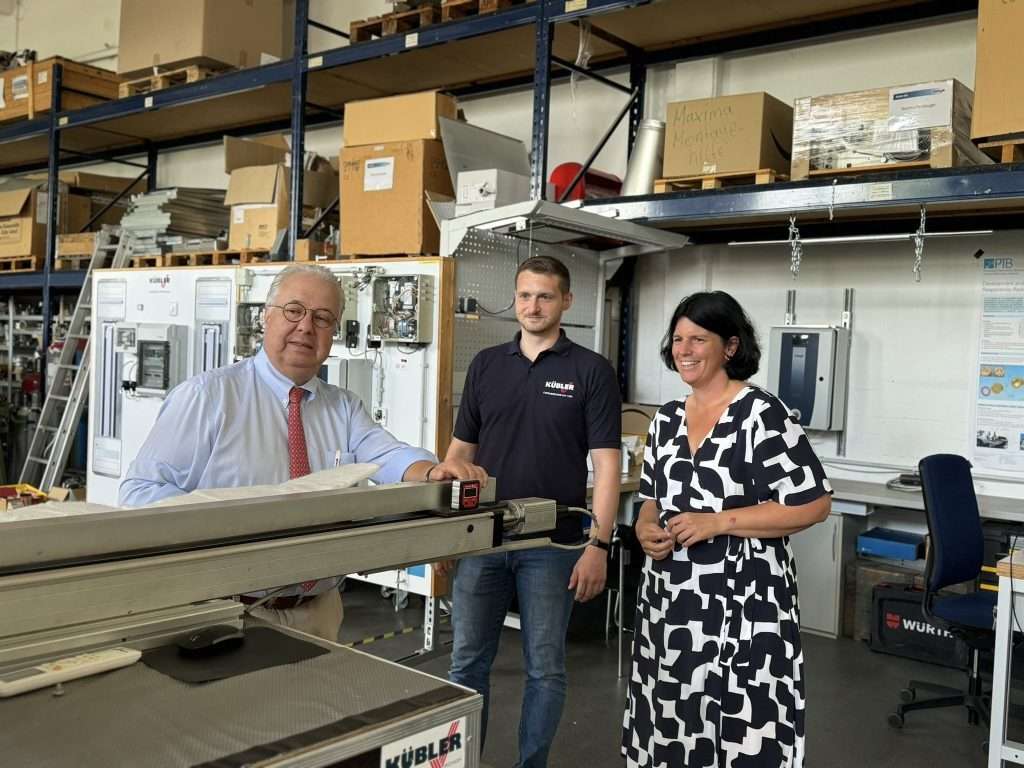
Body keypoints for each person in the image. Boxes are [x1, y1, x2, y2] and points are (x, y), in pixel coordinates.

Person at [119, 263, 485, 642]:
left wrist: (433, 472)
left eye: (323, 318)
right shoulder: (207, 397)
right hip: (227, 611)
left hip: (320, 612)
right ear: (266, 317)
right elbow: (140, 493)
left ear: (334, 331)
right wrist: (222, 525)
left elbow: (387, 454)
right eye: (294, 311)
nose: (306, 327)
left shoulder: (343, 407)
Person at [622, 291, 831, 768]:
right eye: (678, 339)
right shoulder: (667, 419)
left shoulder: (763, 414)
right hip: (672, 601)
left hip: (746, 601)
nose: (685, 349)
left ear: (730, 347)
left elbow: (815, 503)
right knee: (672, 716)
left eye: (699, 338)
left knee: (742, 724)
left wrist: (720, 522)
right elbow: (652, 496)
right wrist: (644, 525)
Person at [440, 255, 622, 768]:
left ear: (566, 301)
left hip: (553, 544)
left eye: (544, 296)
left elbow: (607, 467)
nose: (532, 306)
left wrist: (599, 546)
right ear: (514, 300)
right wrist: (446, 533)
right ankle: (462, 761)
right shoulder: (487, 366)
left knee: (545, 668)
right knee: (467, 664)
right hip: (483, 538)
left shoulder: (590, 371)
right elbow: (459, 456)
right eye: (524, 295)